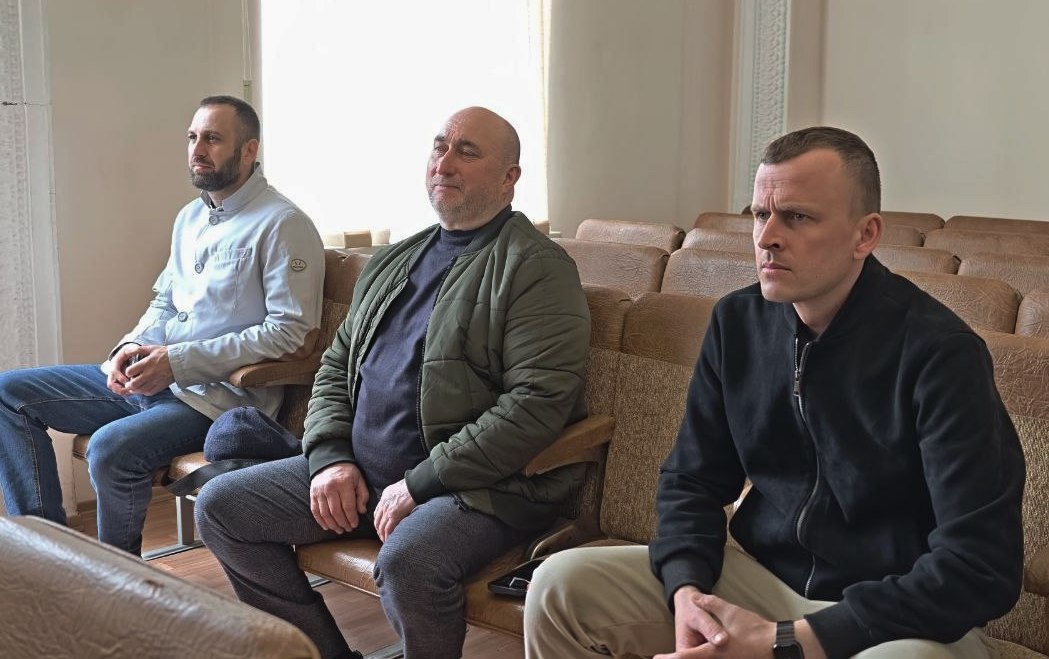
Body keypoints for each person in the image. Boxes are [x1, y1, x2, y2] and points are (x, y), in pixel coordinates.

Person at [523, 127, 1025, 659]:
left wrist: (786, 643)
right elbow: (692, 480)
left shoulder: (941, 353)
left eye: (797, 217)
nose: (766, 237)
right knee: (560, 586)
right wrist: (687, 591)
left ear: (865, 235)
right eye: (761, 215)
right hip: (767, 580)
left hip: (897, 616)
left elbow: (979, 566)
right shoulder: (737, 323)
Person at [194, 106, 590, 659]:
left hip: (476, 489)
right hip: (363, 475)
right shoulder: (394, 260)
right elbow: (336, 365)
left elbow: (535, 404)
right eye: (439, 147)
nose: (444, 163)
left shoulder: (536, 267)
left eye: (467, 152)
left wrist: (420, 483)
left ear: (510, 177)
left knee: (410, 562)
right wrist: (331, 458)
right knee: (220, 507)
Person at [0, 95, 325, 556]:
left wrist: (178, 363)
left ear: (249, 150)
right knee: (9, 394)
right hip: (156, 378)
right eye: (192, 137)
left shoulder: (284, 223)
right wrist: (129, 348)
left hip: (216, 400)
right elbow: (164, 302)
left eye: (213, 139)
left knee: (110, 449)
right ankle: (46, 555)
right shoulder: (189, 217)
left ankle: (119, 579)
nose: (198, 150)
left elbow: (291, 334)